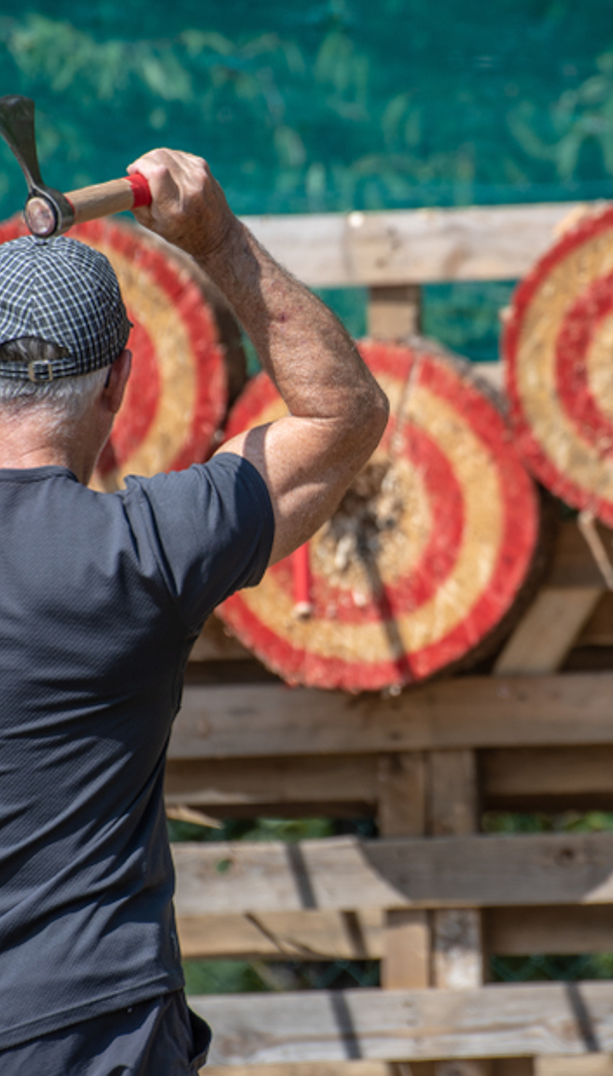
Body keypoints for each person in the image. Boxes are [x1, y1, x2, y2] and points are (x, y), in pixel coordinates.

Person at [0, 149, 389, 1074]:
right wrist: (218, 239)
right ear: (117, 384)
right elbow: (344, 417)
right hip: (90, 1032)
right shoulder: (140, 553)